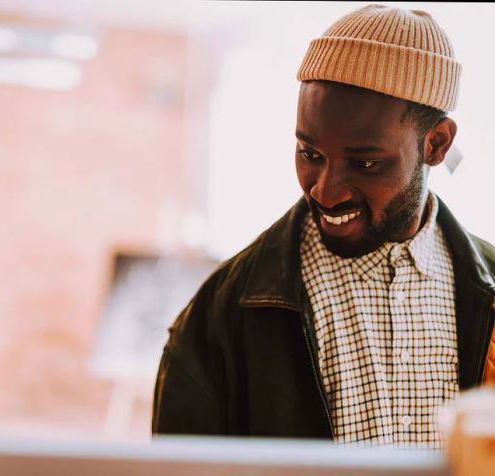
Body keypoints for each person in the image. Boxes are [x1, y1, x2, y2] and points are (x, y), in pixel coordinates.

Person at [152, 4, 495, 448]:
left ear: (436, 144)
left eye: (365, 163)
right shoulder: (221, 315)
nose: (325, 192)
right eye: (310, 154)